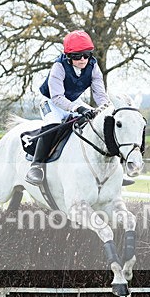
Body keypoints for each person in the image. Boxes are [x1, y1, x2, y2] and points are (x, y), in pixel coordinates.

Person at [26, 30, 111, 186]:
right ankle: (36, 166)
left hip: (72, 101)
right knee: (53, 124)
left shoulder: (93, 66)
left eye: (86, 54)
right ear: (68, 56)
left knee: (99, 121)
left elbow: (100, 95)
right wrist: (78, 109)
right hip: (50, 101)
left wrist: (106, 108)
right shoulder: (58, 67)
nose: (83, 59)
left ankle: (111, 169)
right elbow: (57, 97)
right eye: (77, 56)